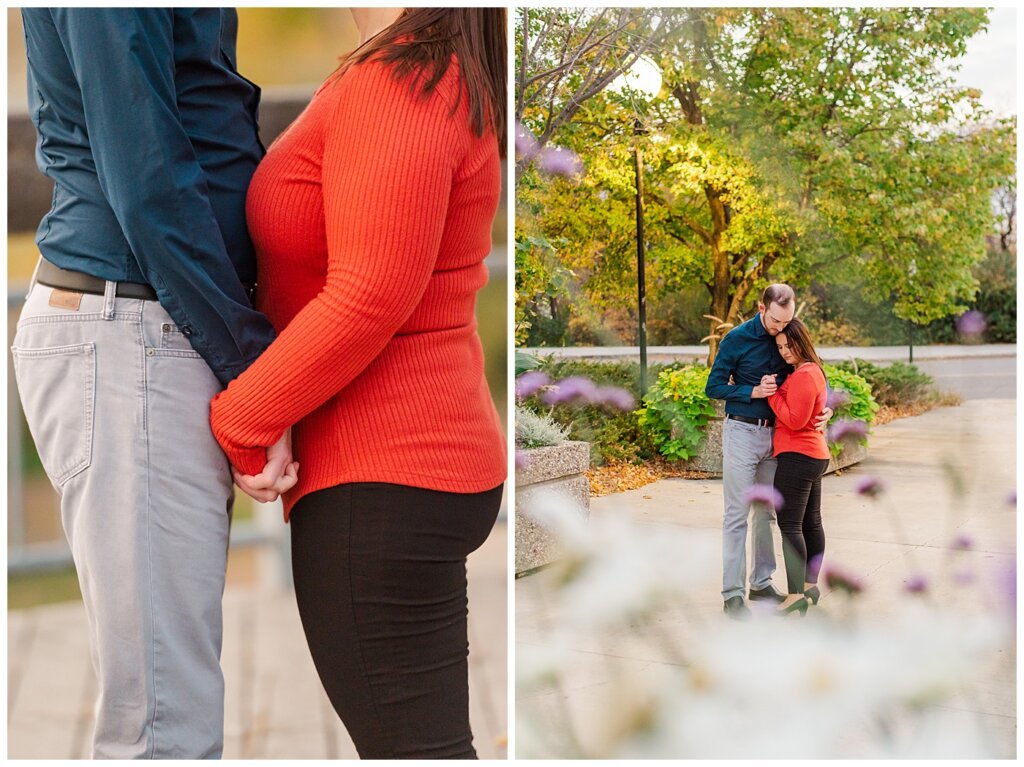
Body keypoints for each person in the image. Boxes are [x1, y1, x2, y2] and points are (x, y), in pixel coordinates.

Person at [208, 8, 507, 759]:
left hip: (381, 475)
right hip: (411, 468)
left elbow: (371, 294)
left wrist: (244, 417)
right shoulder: (421, 68)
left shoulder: (404, 79)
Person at [12, 9, 291, 758]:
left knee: (166, 705)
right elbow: (147, 182)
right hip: (129, 328)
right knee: (163, 726)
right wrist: (258, 377)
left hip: (146, 327)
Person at [705, 284, 832, 620]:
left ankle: (761, 583)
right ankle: (732, 594)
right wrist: (753, 390)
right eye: (775, 321)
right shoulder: (736, 339)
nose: (780, 329)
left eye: (786, 322)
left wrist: (827, 408)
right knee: (737, 514)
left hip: (777, 437)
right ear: (761, 307)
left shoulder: (787, 337)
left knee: (767, 513)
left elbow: (812, 370)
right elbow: (713, 387)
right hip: (742, 432)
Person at [766, 319, 831, 615]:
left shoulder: (805, 374)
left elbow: (794, 419)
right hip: (812, 454)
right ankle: (808, 585)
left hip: (798, 455)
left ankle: (794, 596)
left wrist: (772, 393)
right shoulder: (812, 371)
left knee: (790, 525)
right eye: (779, 347)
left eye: (788, 345)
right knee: (810, 522)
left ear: (800, 340)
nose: (784, 352)